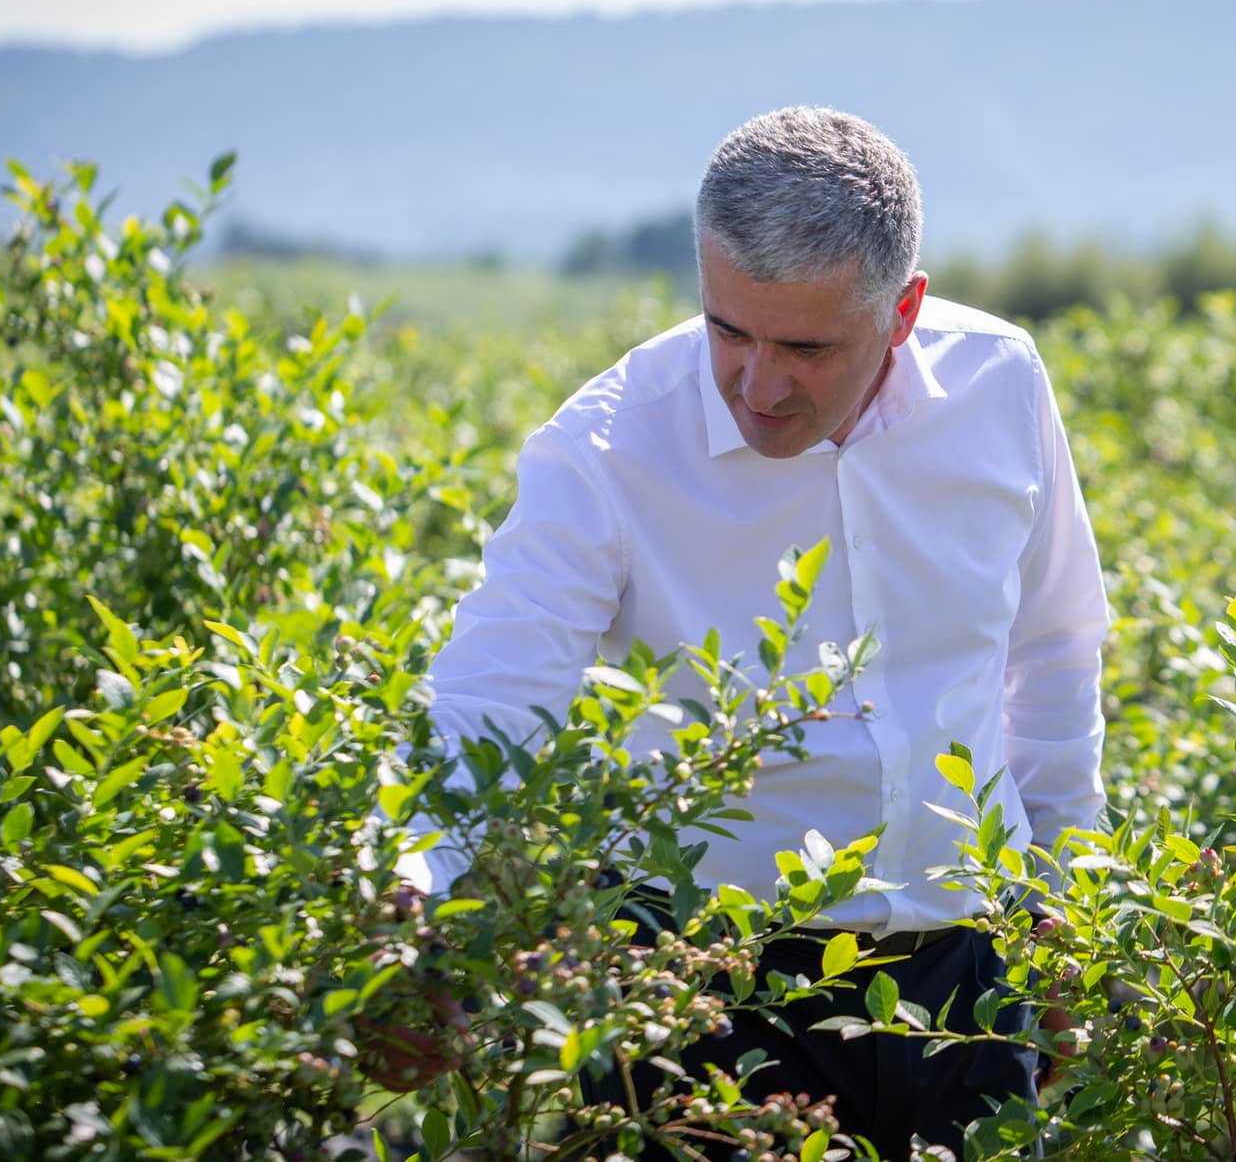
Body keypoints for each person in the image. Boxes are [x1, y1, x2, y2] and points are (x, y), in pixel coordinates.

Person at [377, 106, 1110, 1155]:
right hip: (698, 994)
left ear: (902, 310)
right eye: (729, 330)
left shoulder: (1001, 382)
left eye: (806, 346)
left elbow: (1053, 650)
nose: (758, 386)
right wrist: (408, 892)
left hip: (971, 983)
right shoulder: (606, 446)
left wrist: (1067, 913)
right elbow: (489, 700)